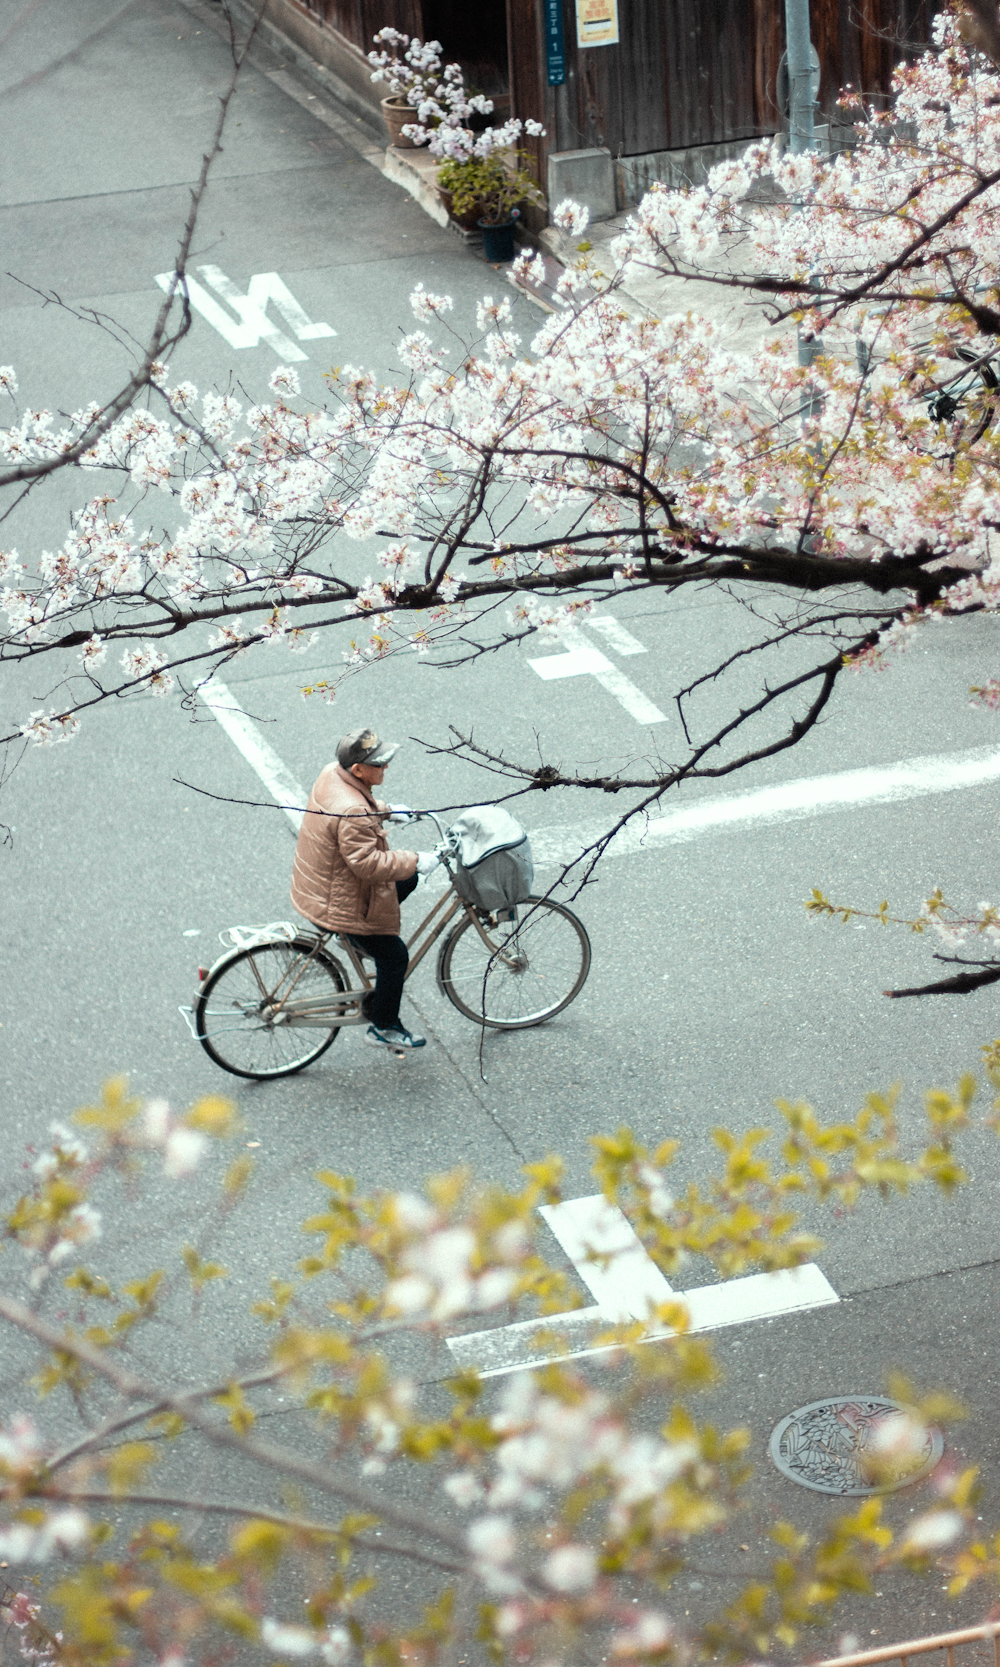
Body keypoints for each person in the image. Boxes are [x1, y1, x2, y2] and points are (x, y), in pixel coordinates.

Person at [290, 727, 440, 1051]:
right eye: (380, 763)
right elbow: (368, 864)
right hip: (336, 903)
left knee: (406, 880)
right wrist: (416, 859)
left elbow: (356, 811)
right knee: (396, 957)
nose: (386, 767)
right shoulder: (353, 810)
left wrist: (387, 810)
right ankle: (384, 1026)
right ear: (358, 769)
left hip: (318, 885)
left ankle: (362, 942)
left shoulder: (334, 774)